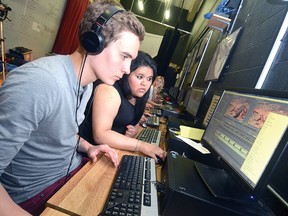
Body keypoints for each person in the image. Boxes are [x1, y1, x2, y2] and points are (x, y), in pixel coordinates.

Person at [0, 1, 145, 215]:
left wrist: (88, 147)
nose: (126, 70)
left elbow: (61, 133)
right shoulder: (39, 82)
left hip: (69, 173)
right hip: (34, 194)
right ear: (94, 42)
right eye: (124, 56)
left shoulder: (85, 85)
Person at [79, 51, 166, 162]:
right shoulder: (109, 90)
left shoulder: (138, 95)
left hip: (109, 152)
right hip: (89, 156)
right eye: (140, 77)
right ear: (127, 74)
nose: (145, 83)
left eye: (149, 79)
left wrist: (134, 130)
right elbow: (101, 135)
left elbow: (131, 121)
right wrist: (140, 145)